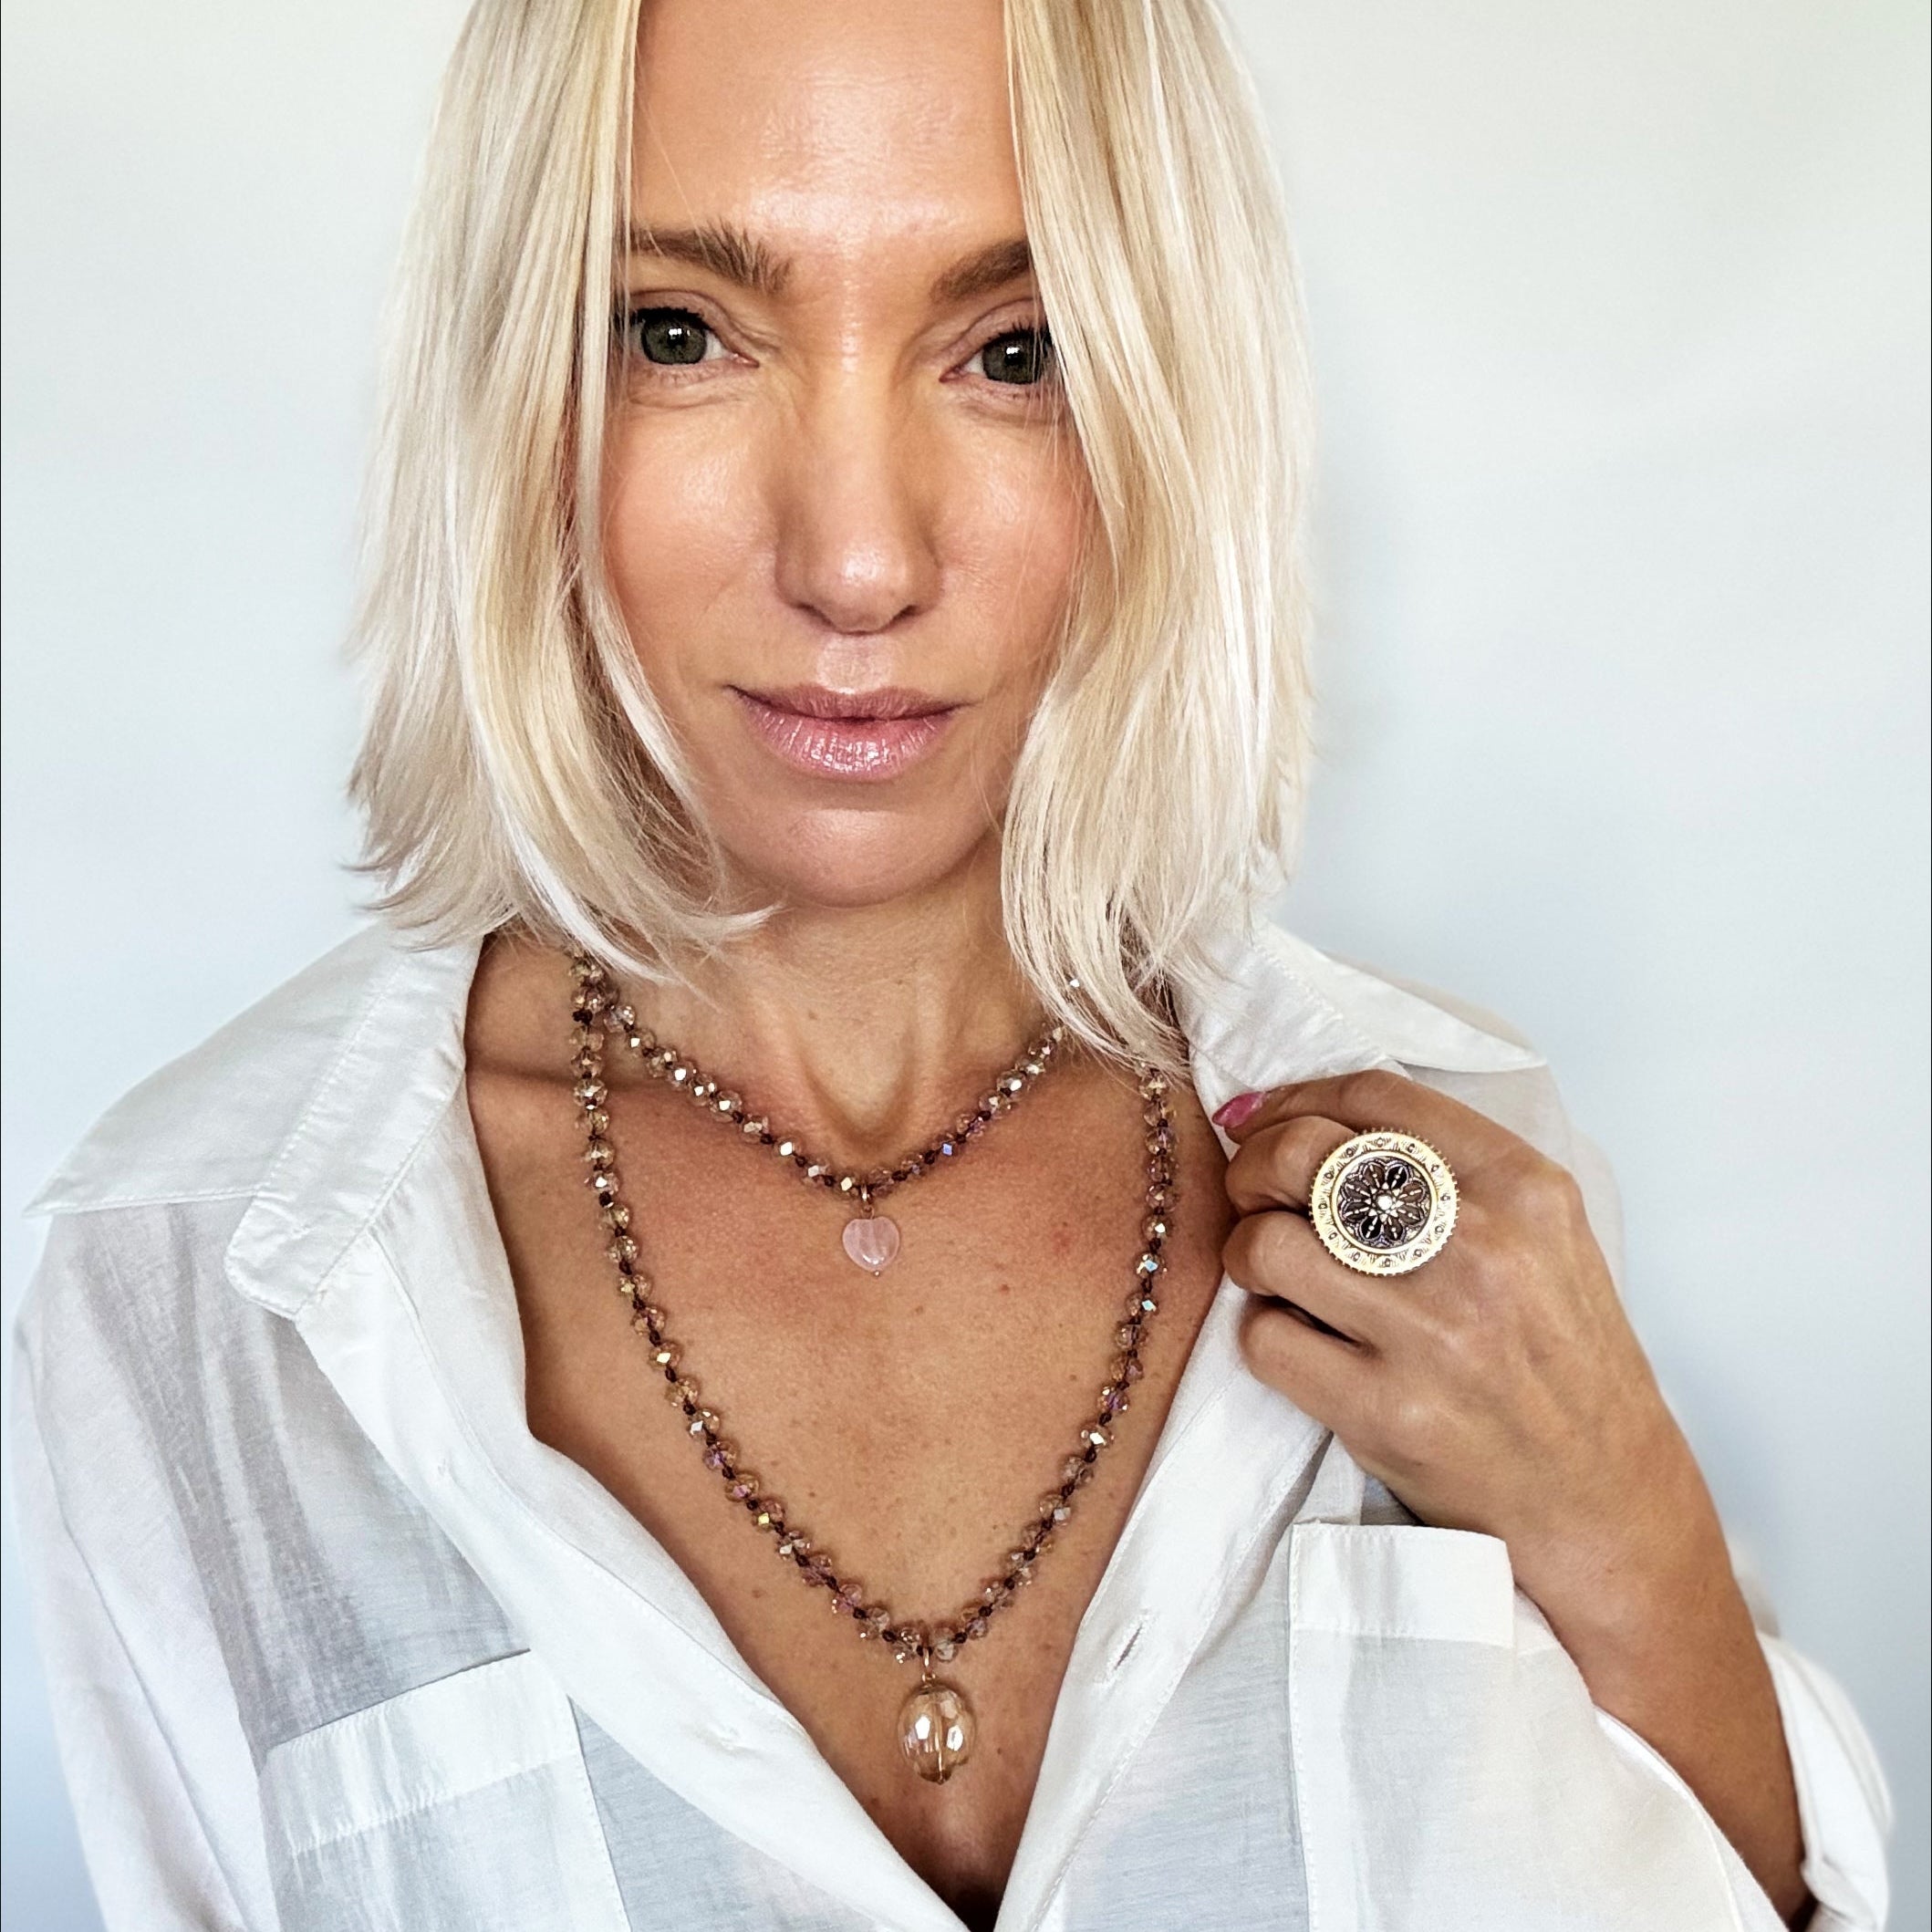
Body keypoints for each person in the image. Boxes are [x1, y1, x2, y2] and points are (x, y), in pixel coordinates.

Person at [11, 1, 1891, 1927]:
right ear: (516, 382)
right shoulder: (198, 1282)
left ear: (1166, 396)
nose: (855, 557)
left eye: (1016, 352)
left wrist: (1635, 1537)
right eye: (681, 334)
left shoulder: (1444, 1170)